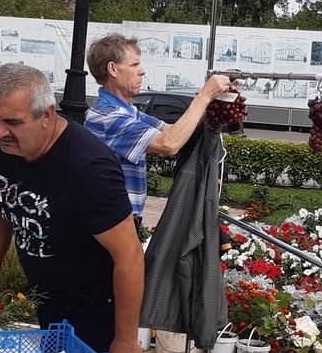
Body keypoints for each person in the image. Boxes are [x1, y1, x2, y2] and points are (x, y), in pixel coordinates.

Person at [0, 63, 143, 353]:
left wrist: (126, 339)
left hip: (98, 311)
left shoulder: (88, 167)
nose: (0, 132)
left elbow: (129, 255)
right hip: (50, 301)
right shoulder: (8, 147)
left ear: (47, 115)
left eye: (13, 123)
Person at [84, 33, 234, 222]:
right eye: (134, 65)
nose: (142, 71)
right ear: (113, 69)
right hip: (111, 218)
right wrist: (204, 96)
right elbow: (169, 143)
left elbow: (171, 130)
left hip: (118, 217)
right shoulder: (109, 116)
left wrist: (211, 99)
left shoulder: (127, 110)